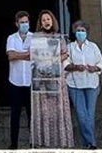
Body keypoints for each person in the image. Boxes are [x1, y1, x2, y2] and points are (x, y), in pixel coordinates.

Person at [30, 9, 73, 148]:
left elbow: (65, 54)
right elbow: (33, 56)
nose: (46, 22)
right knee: (44, 111)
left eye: (48, 19)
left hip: (56, 78)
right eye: (43, 20)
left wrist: (54, 59)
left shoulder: (60, 37)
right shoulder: (36, 38)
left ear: (52, 21)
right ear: (40, 24)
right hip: (41, 79)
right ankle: (43, 141)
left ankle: (61, 141)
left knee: (57, 109)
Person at [64, 20, 102, 150]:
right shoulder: (69, 47)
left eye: (83, 31)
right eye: (78, 31)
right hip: (75, 85)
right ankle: (90, 142)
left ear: (86, 32)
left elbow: (101, 64)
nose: (80, 33)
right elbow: (65, 64)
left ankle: (90, 143)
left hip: (92, 84)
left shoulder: (93, 46)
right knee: (81, 115)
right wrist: (76, 67)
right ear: (74, 32)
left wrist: (95, 68)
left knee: (90, 115)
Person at [5, 11, 33, 149]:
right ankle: (14, 144)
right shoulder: (11, 38)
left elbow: (37, 56)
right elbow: (10, 56)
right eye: (22, 22)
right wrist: (27, 54)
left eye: (26, 22)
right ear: (16, 24)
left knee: (31, 116)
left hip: (30, 82)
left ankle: (33, 142)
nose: (24, 24)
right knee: (15, 115)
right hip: (15, 81)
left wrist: (19, 55)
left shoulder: (34, 38)